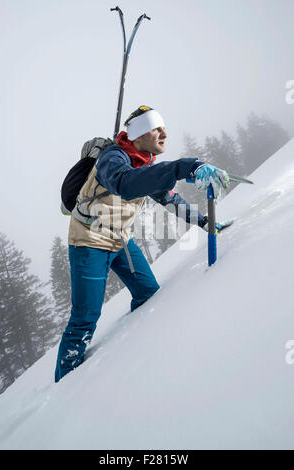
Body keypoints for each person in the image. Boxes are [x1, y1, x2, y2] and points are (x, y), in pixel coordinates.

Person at [55, 105, 229, 382]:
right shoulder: (112, 159)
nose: (164, 134)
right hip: (89, 241)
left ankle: (134, 349)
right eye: (156, 128)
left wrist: (204, 222)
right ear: (137, 135)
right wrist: (185, 167)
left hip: (120, 239)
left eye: (163, 127)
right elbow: (125, 184)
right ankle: (64, 384)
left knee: (148, 292)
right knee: (85, 318)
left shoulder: (144, 164)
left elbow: (169, 198)